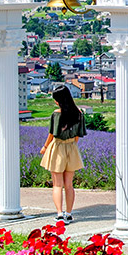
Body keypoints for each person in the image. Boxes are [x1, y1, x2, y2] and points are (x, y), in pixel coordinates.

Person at [39, 84, 86, 222]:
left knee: (57, 184)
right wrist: (71, 145)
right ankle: (69, 213)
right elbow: (78, 135)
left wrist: (45, 147)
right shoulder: (78, 113)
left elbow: (52, 134)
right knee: (69, 184)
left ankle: (59, 214)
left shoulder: (56, 113)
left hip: (58, 147)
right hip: (72, 148)